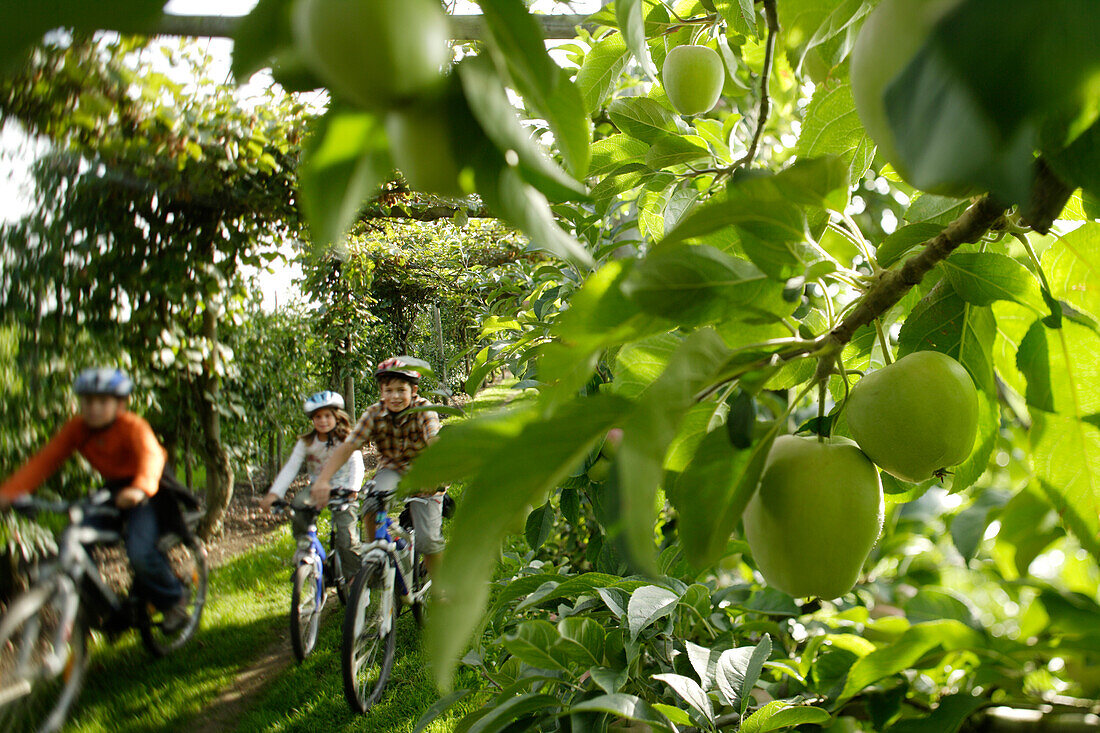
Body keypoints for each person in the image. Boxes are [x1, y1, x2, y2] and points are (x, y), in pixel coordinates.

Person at [0, 368, 191, 631]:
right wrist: (9, 493)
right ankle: (98, 609)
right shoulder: (78, 429)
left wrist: (139, 489)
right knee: (73, 539)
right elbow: (44, 461)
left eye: (102, 401)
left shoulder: (132, 426)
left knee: (139, 552)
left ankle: (174, 599)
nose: (94, 408)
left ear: (120, 404)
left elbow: (152, 457)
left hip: (149, 492)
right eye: (88, 401)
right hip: (113, 492)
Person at [310, 358, 443, 575]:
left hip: (424, 471)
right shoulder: (374, 413)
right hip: (391, 469)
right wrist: (324, 479)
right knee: (371, 504)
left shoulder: (424, 410)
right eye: (388, 390)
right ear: (381, 391)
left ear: (414, 390)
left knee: (428, 540)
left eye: (401, 390)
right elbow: (348, 446)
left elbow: (434, 441)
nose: (395, 396)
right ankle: (376, 558)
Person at [260, 391, 365, 578]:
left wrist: (354, 488)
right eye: (318, 417)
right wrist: (275, 493)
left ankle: (354, 580)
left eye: (327, 416)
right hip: (317, 488)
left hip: (343, 489)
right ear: (312, 419)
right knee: (299, 506)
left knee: (347, 537)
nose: (323, 421)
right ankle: (304, 548)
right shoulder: (307, 442)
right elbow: (290, 468)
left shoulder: (346, 440)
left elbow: (357, 464)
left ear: (336, 416)